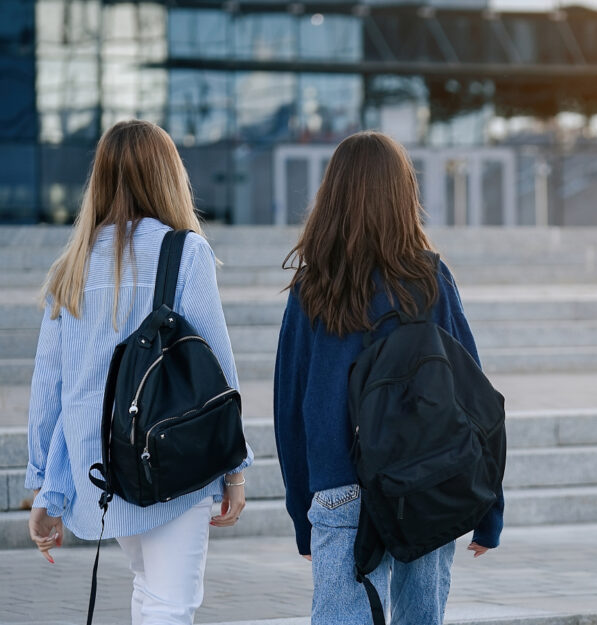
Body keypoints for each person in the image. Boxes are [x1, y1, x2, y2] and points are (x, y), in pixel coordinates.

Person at [26, 119, 253, 625]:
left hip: (102, 465)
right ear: (167, 176)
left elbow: (48, 387)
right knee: (170, 604)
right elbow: (217, 363)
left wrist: (47, 486)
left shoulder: (73, 266)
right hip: (175, 456)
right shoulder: (185, 252)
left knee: (150, 591)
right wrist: (234, 468)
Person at [273, 131, 504, 624]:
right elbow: (475, 400)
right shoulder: (429, 280)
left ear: (331, 196)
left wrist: (303, 516)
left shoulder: (313, 287)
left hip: (339, 485)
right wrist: (488, 510)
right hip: (427, 474)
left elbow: (290, 410)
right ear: (404, 196)